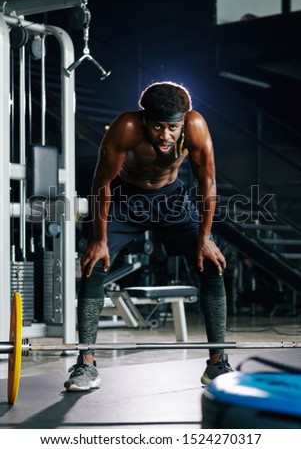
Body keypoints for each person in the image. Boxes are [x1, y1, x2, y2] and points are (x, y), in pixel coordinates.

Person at [64, 81, 233, 391]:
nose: (165, 136)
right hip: (125, 200)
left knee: (211, 263)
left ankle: (217, 363)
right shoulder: (126, 127)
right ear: (144, 121)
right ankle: (85, 363)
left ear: (183, 121)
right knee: (94, 265)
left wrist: (205, 237)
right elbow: (102, 182)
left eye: (172, 127)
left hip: (171, 200)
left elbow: (207, 181)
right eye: (157, 127)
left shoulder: (195, 126)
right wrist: (100, 240)